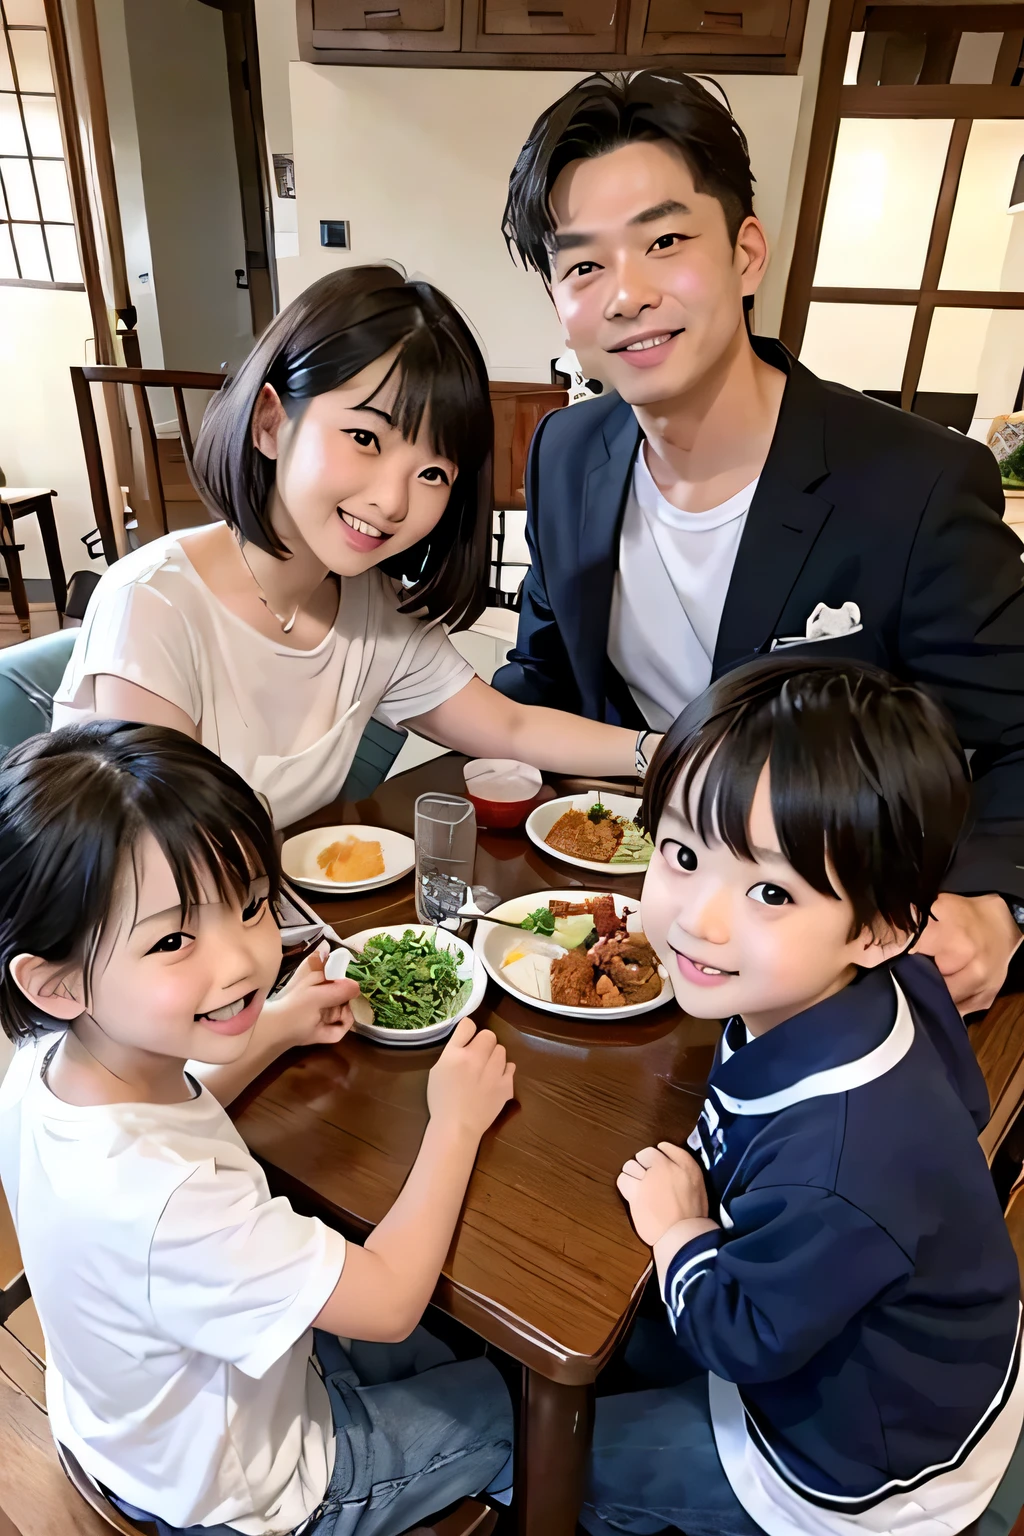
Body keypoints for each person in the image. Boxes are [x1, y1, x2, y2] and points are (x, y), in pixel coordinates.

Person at [493, 68, 1024, 1015]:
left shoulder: (915, 484)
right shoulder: (567, 450)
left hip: (830, 954)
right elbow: (539, 677)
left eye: (664, 241)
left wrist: (996, 902)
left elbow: (1019, 735)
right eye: (582, 265)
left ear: (746, 253)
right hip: (630, 920)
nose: (626, 295)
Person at [0, 721, 515, 1536]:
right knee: (511, 1406)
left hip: (133, 1425)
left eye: (249, 905)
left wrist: (274, 1026)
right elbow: (387, 1305)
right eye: (173, 939)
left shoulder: (44, 1068)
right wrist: (453, 1122)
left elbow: (179, 1089)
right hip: (251, 1496)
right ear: (56, 983)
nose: (243, 959)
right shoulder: (167, 1204)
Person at [584, 657, 1023, 1536]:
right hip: (928, 1360)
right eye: (680, 854)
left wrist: (680, 1230)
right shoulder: (864, 989)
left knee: (531, 1438)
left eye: (771, 891)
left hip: (852, 1467)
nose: (697, 920)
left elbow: (739, 1335)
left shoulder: (842, 1166)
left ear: (880, 930)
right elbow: (963, 1110)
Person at [53, 265, 655, 829]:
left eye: (433, 473)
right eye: (365, 437)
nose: (394, 501)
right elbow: (162, 850)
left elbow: (512, 726)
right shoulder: (152, 605)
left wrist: (662, 755)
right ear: (270, 422)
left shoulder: (377, 612)